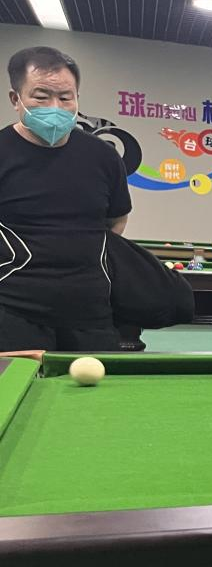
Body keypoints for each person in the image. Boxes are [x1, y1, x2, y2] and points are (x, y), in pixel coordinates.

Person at [0, 46, 130, 352]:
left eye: (65, 97)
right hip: (12, 311)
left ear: (77, 99)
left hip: (91, 309)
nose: (55, 107)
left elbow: (117, 220)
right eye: (41, 97)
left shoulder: (103, 156)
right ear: (15, 99)